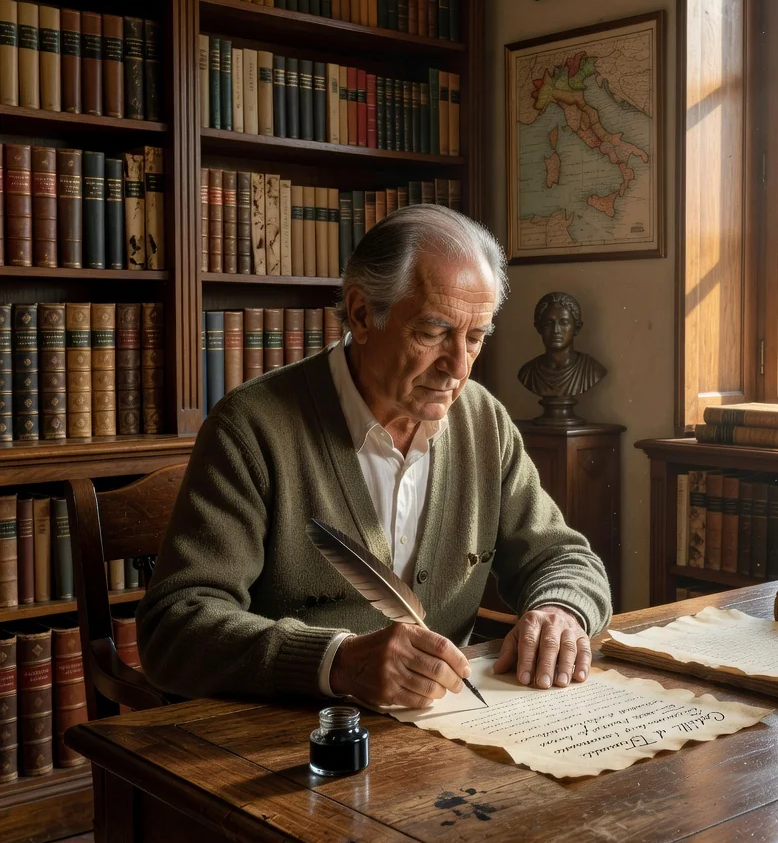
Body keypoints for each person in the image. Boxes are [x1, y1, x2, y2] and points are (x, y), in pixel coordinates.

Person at [137, 205, 611, 709]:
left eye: (474, 338)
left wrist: (560, 610)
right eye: (432, 333)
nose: (458, 366)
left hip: (453, 732)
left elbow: (564, 558)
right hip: (291, 738)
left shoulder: (483, 421)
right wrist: (337, 661)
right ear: (362, 314)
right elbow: (175, 625)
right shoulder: (253, 426)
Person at [517, 291, 607, 398]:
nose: (556, 330)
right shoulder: (528, 373)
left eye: (564, 323)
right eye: (548, 324)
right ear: (539, 328)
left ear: (577, 328)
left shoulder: (592, 370)